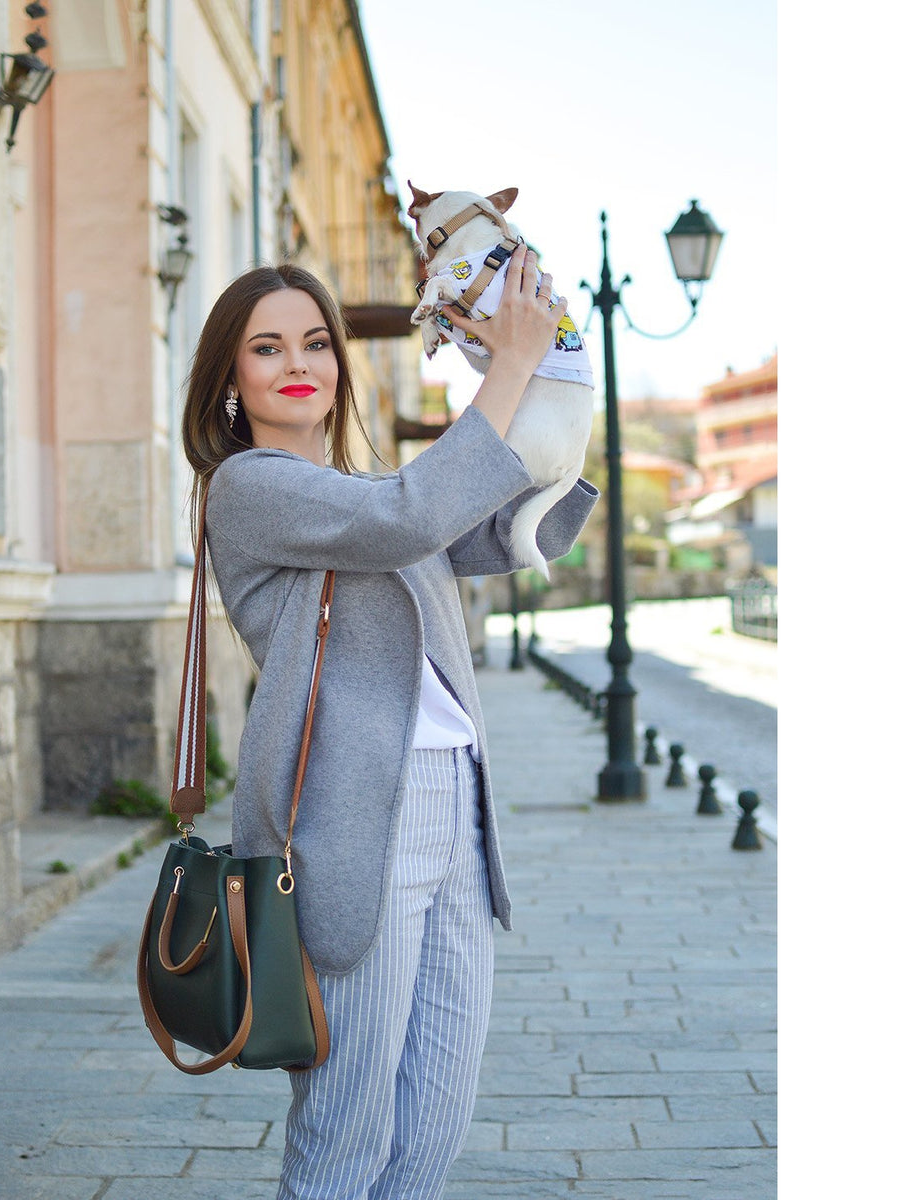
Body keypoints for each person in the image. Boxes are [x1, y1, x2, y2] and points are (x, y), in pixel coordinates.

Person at [181, 242, 599, 1200]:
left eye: (318, 343)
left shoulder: (368, 487)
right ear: (232, 381)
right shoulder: (248, 490)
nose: (300, 364)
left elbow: (497, 529)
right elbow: (414, 518)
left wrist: (556, 362)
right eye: (269, 347)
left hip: (459, 805)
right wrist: (508, 369)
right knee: (349, 1127)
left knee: (433, 1121)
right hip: (355, 818)